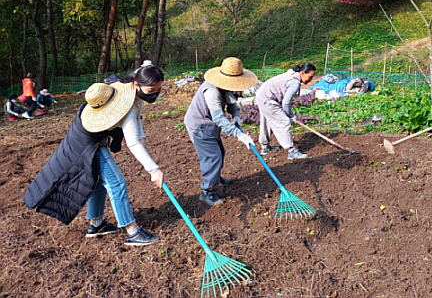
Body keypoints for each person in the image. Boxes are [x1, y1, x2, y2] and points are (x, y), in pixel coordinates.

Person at [24, 65, 166, 246]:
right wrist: (154, 169)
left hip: (90, 138)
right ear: (137, 85)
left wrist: (142, 136)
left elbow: (137, 117)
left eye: (159, 89)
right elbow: (132, 142)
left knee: (98, 181)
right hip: (88, 143)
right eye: (151, 90)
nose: (155, 93)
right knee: (117, 183)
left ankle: (96, 224)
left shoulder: (132, 91)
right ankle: (133, 232)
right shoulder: (127, 99)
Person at [184, 57, 257, 207]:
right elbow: (218, 117)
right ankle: (207, 192)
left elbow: (231, 101)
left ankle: (215, 177)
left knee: (220, 152)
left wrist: (236, 115)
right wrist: (240, 135)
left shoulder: (225, 86)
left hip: (209, 124)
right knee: (213, 157)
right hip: (200, 125)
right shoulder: (211, 91)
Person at [256, 63, 316, 160]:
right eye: (310, 76)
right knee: (284, 122)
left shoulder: (292, 75)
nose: (310, 80)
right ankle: (291, 151)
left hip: (261, 96)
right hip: (267, 99)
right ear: (303, 73)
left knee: (267, 120)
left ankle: (265, 147)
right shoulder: (294, 83)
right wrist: (291, 116)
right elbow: (286, 104)